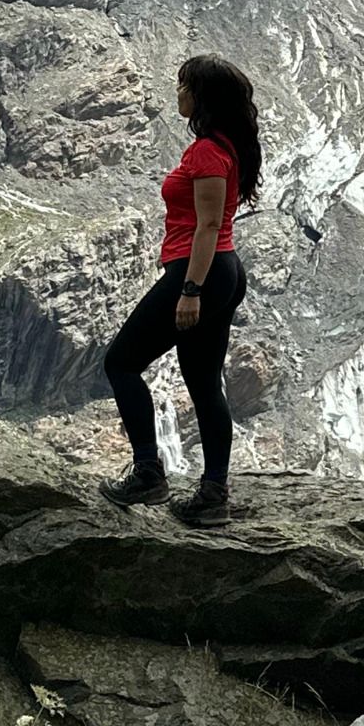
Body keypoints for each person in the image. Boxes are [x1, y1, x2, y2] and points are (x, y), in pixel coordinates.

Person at [101, 54, 261, 525]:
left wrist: (190, 290)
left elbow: (209, 224)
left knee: (120, 362)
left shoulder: (209, 151)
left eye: (183, 85)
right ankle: (213, 497)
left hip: (201, 273)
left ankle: (149, 473)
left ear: (201, 95)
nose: (178, 93)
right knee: (205, 385)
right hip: (222, 272)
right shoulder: (224, 146)